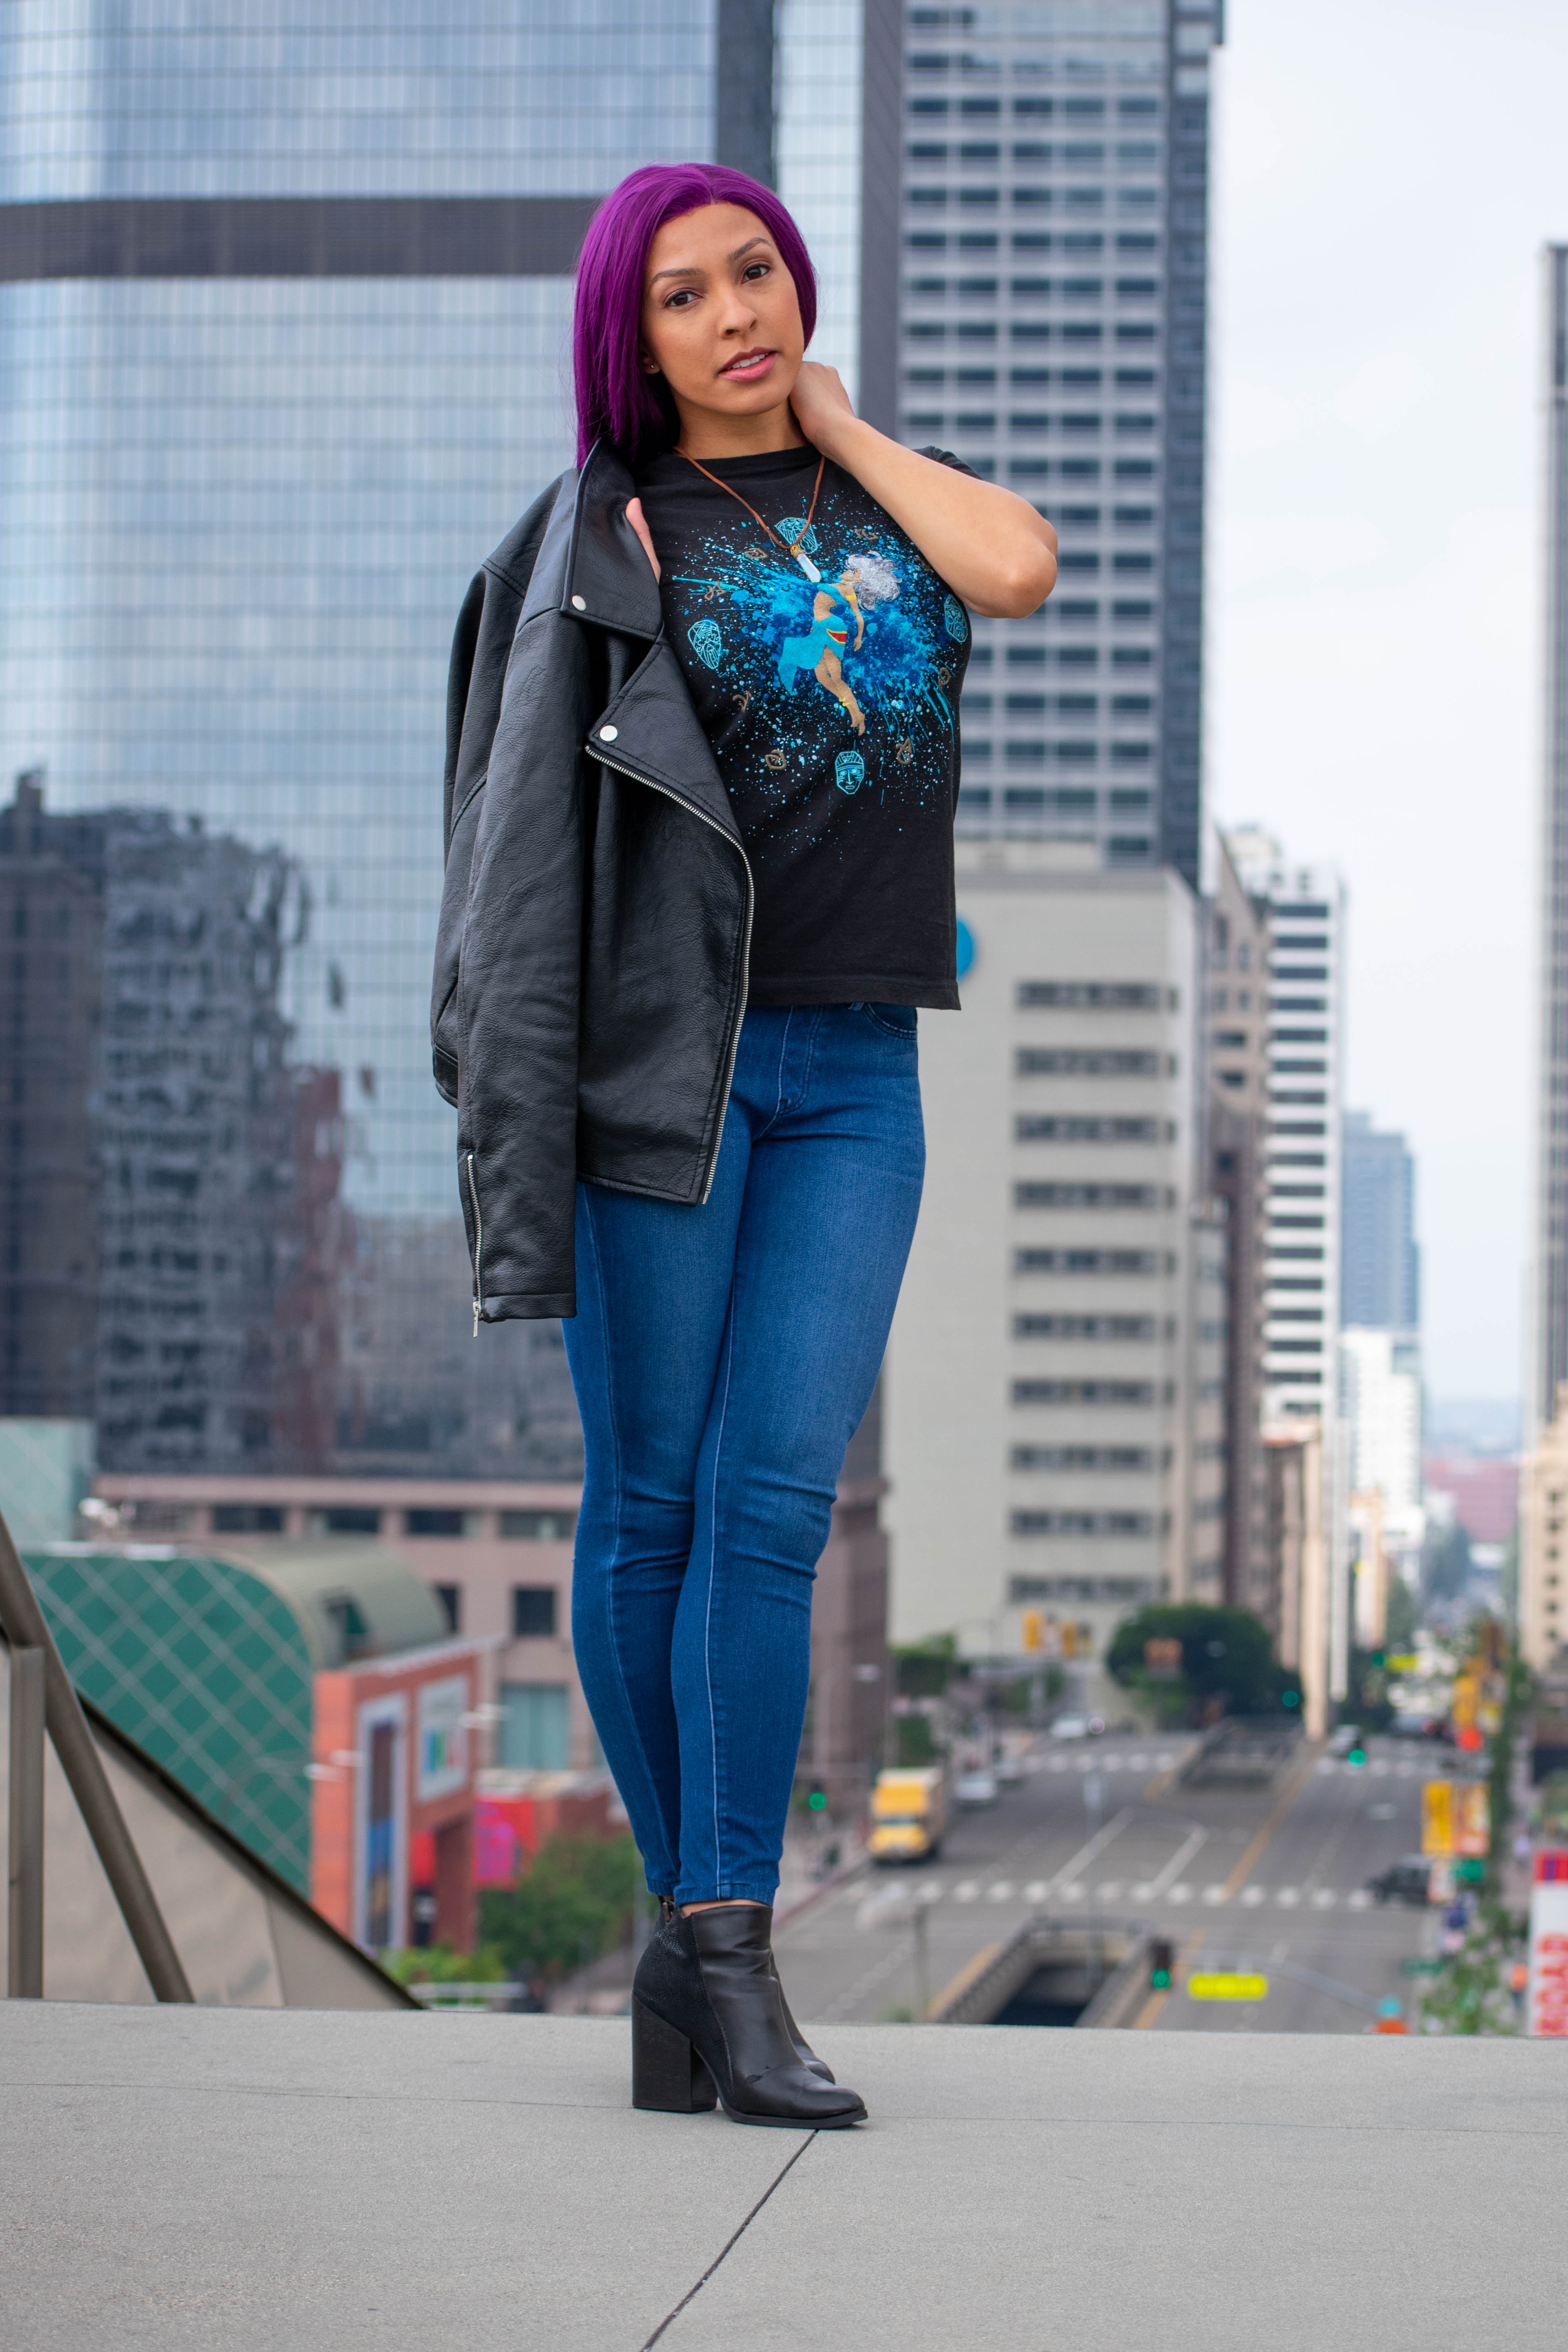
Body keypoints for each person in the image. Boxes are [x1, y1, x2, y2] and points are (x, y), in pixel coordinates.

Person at [432, 163, 1056, 2129]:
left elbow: (1019, 569)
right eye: (681, 295)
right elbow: (512, 854)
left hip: (857, 1072)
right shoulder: (590, 540)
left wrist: (844, 424)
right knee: (659, 1503)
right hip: (664, 1071)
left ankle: (692, 1960)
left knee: (776, 1509)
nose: (729, 315)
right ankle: (727, 1951)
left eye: (754, 275)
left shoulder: (884, 493)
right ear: (630, 336)